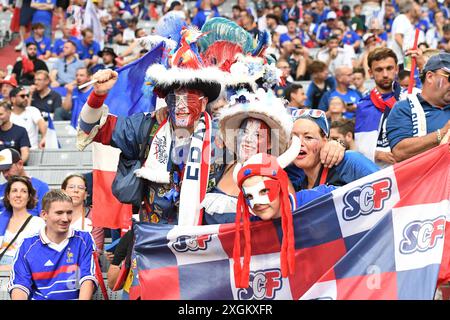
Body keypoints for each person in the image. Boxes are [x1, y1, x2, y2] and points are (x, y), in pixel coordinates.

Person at [77, 35, 225, 226]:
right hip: (153, 238)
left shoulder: (222, 136)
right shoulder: (147, 126)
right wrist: (98, 95)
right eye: (174, 98)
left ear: (204, 103)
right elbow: (92, 129)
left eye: (188, 99)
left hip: (202, 241)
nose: (180, 106)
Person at [232, 139, 335, 288]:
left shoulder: (317, 200)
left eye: (264, 190)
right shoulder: (250, 227)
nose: (256, 203)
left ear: (281, 185)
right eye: (249, 196)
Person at [8, 189, 98, 300]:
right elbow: (20, 286)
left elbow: (87, 279)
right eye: (59, 213)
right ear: (44, 215)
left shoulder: (84, 239)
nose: (65, 218)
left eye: (69, 212)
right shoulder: (27, 245)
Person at [285, 109, 379, 191]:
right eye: (293, 137)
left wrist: (339, 143)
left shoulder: (348, 162)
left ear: (325, 141)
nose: (299, 143)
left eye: (308, 137)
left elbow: (387, 186)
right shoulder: (296, 185)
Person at [386, 52, 450, 162]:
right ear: (430, 77)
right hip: (427, 176)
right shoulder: (404, 108)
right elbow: (399, 152)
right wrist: (443, 133)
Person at [355, 47, 401, 167]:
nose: (385, 74)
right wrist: (378, 154)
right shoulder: (364, 105)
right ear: (370, 73)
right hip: (378, 170)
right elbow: (360, 144)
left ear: (397, 69)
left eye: (389, 68)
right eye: (379, 70)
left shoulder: (407, 97)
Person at [0, 176, 45, 271]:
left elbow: (39, 258)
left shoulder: (38, 223)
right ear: (8, 196)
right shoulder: (1, 220)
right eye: (14, 190)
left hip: (22, 275)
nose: (18, 195)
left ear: (29, 197)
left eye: (23, 191)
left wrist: (8, 268)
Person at [61, 174, 104, 255]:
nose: (76, 190)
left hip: (85, 264)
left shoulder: (94, 216)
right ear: (63, 192)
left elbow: (96, 251)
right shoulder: (53, 215)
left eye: (80, 188)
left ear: (85, 194)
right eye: (71, 187)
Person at [0, 148, 50, 216]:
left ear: (20, 164)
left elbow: (45, 217)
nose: (5, 174)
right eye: (2, 171)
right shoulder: (1, 188)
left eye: (7, 169)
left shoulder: (40, 187)